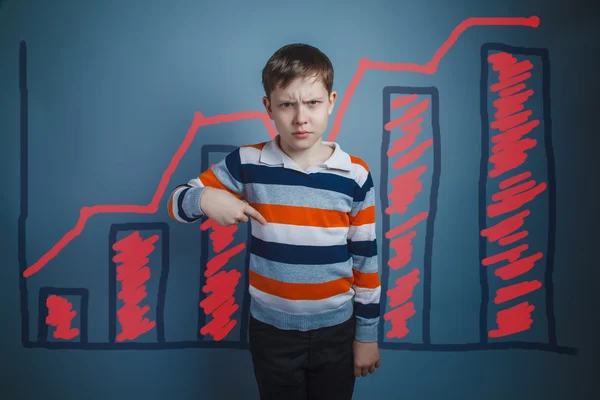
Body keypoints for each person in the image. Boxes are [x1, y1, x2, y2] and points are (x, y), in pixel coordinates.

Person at [167, 43, 381, 399]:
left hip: (337, 332)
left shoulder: (355, 174)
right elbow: (176, 203)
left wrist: (367, 336)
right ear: (268, 106)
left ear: (331, 100)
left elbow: (366, 261)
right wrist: (205, 198)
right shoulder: (247, 162)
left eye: (312, 103)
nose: (301, 117)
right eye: (287, 104)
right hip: (271, 333)